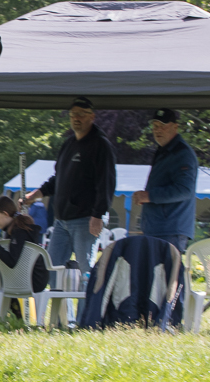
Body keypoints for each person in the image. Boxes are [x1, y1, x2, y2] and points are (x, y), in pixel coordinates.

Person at [23, 96, 116, 287]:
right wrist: (36, 195)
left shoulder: (100, 145)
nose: (76, 118)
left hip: (86, 220)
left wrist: (98, 215)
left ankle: (86, 316)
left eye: (81, 114)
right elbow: (58, 179)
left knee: (85, 273)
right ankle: (62, 317)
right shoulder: (68, 144)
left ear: (92, 117)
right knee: (53, 269)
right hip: (62, 221)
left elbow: (106, 184)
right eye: (73, 114)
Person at [132, 108, 197, 253]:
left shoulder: (182, 154)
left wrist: (149, 196)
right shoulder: (164, 151)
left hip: (170, 229)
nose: (158, 130)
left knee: (169, 275)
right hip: (158, 228)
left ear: (175, 127)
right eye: (155, 126)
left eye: (163, 126)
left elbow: (184, 190)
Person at [0, 196, 48, 319]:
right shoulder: (13, 229)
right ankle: (8, 314)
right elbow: (6, 260)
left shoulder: (20, 231)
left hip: (33, 280)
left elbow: (11, 261)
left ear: (5, 214)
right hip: (26, 277)